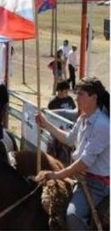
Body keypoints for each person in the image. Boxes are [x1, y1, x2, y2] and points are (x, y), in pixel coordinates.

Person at [35, 78, 110, 231]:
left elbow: (84, 162)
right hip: (80, 178)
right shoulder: (83, 118)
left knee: (73, 216)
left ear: (94, 97)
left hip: (96, 184)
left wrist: (57, 175)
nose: (76, 98)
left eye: (81, 94)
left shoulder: (102, 125)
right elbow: (69, 139)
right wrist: (46, 124)